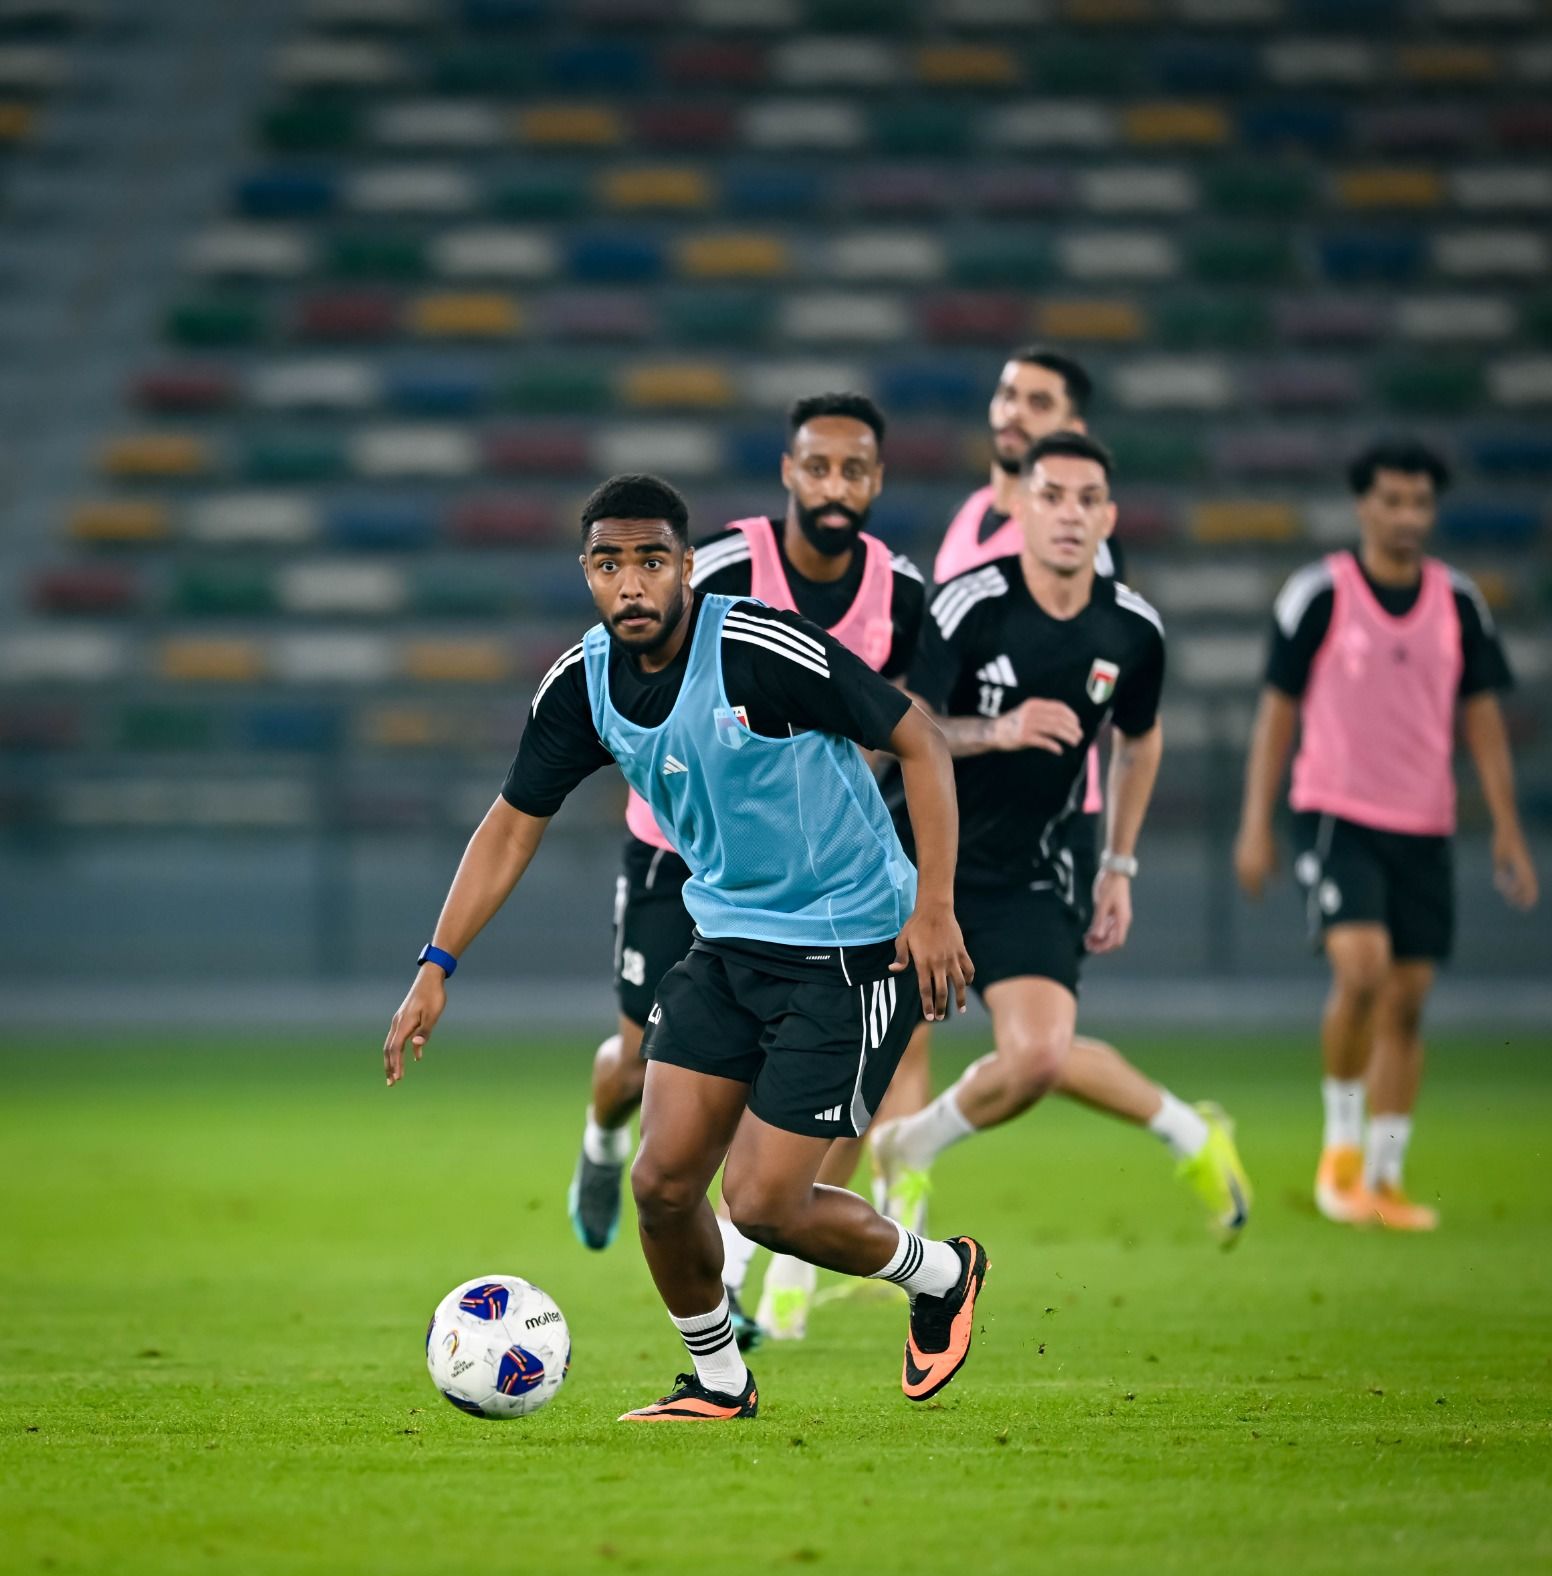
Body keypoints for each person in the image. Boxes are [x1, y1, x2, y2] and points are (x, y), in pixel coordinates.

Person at [384, 473, 985, 1422]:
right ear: (586, 574)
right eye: (609, 564)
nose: (631, 584)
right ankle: (718, 1384)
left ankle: (942, 1274)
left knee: (763, 1206)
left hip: (854, 945)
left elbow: (923, 741)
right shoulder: (581, 684)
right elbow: (509, 827)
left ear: (687, 568)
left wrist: (937, 908)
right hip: (729, 940)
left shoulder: (755, 647)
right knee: (662, 1185)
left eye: (651, 561)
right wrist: (435, 965)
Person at [564, 393, 930, 1348]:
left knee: (752, 1160)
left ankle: (736, 1286)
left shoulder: (903, 592)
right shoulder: (715, 570)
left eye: (855, 469)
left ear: (877, 480)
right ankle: (603, 1146)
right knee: (636, 1068)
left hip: (803, 899)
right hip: (673, 853)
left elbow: (913, 727)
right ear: (789, 471)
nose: (836, 484)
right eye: (819, 466)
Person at [877, 353, 1241, 1242]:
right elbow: (907, 721)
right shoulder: (968, 571)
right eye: (1006, 394)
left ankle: (903, 1158)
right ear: (1022, 502)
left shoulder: (1129, 625)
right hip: (921, 842)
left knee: (1036, 1053)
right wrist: (996, 731)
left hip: (1041, 843)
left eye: (1087, 500)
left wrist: (1117, 861)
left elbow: (1139, 737)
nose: (1069, 513)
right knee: (871, 1044)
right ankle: (778, 1272)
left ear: (1106, 515)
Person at [1234, 437, 1538, 1229]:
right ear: (1363, 504)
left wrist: (1507, 829)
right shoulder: (1321, 594)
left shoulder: (1458, 603)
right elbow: (1277, 711)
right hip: (1336, 813)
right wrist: (1255, 825)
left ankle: (1387, 1175)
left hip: (1424, 822)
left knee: (1408, 1000)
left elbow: (1483, 721)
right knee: (1362, 969)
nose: (1407, 517)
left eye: (1420, 503)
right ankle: (1340, 1155)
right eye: (1392, 501)